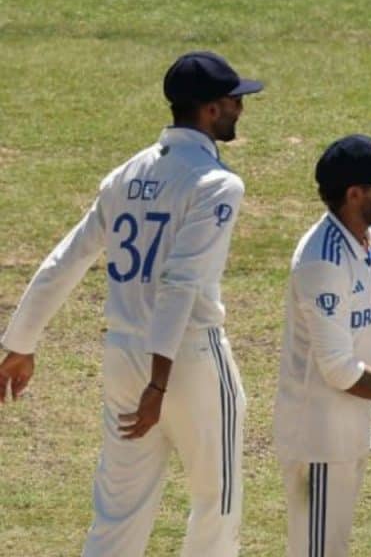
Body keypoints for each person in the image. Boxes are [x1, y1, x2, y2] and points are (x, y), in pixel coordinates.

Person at [0, 51, 262, 556]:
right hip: (187, 359)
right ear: (209, 110)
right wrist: (159, 383)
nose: (239, 110)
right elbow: (180, 285)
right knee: (217, 504)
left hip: (123, 356)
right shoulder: (217, 184)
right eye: (234, 101)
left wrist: (20, 342)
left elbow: (65, 260)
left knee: (118, 512)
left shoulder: (123, 176)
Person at [273, 134, 371, 557]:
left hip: (348, 432)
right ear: (354, 194)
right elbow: (339, 370)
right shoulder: (321, 263)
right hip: (318, 438)